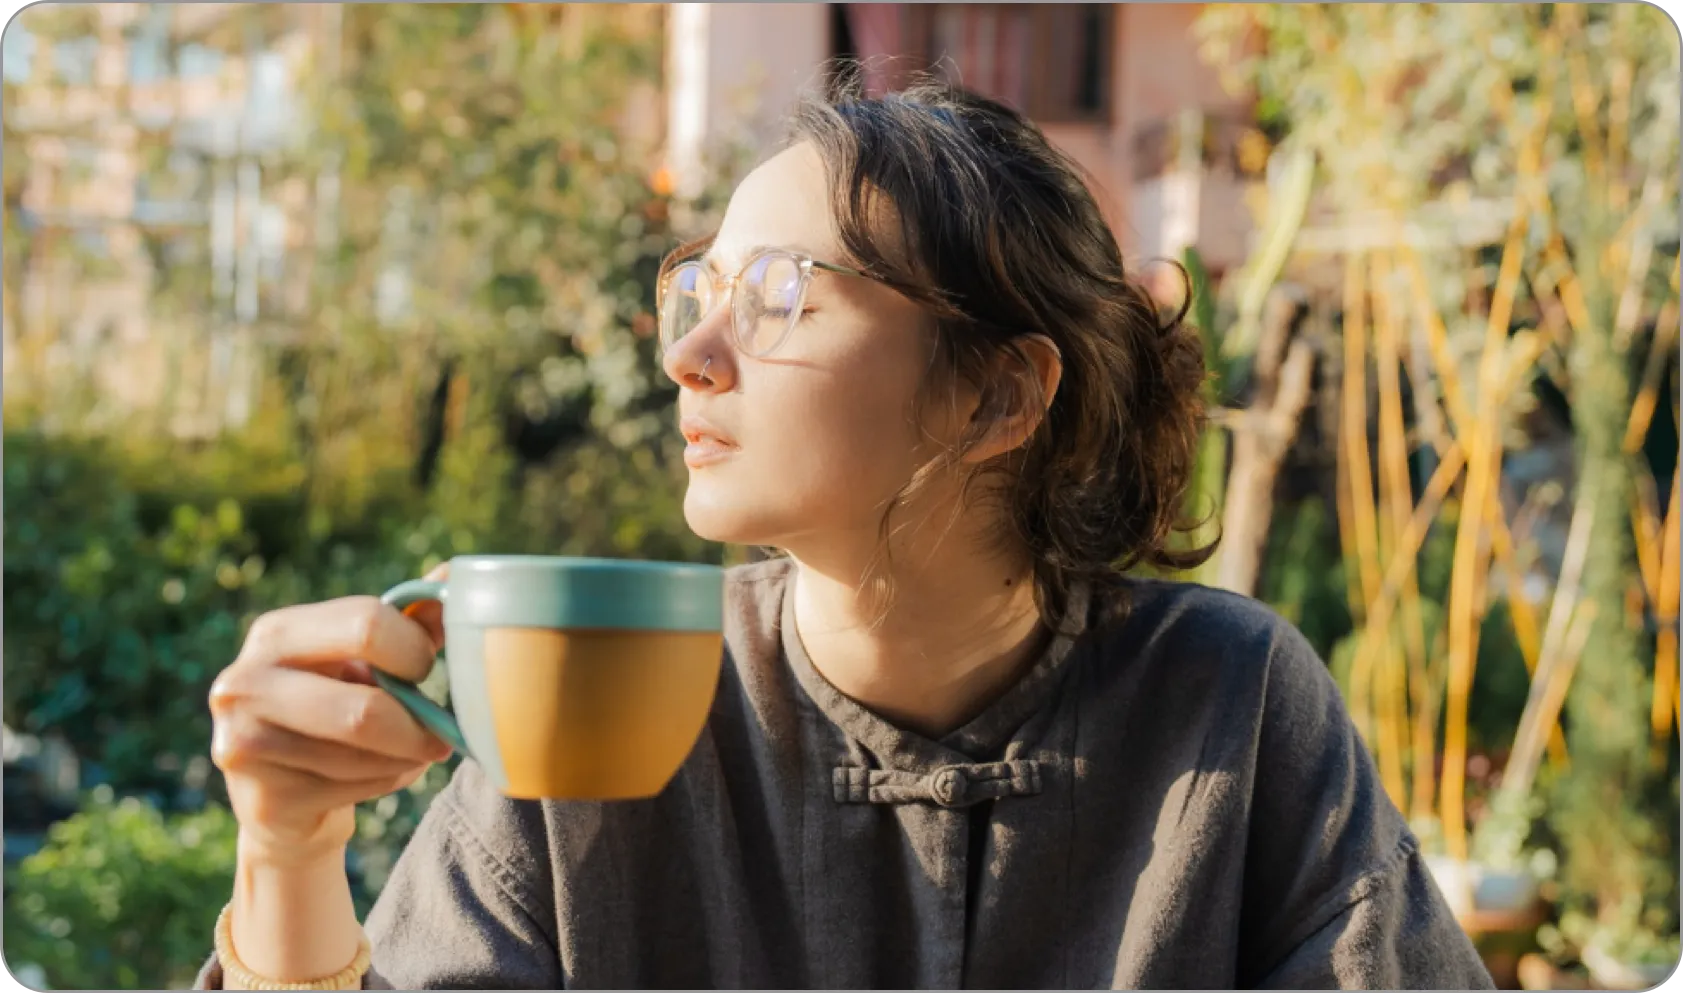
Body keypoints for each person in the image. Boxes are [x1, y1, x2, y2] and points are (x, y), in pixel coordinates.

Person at [195, 75, 1494, 990]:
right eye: (695, 292)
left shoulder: (1227, 704)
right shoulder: (605, 693)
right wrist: (288, 854)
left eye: (773, 296)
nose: (692, 356)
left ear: (997, 392)